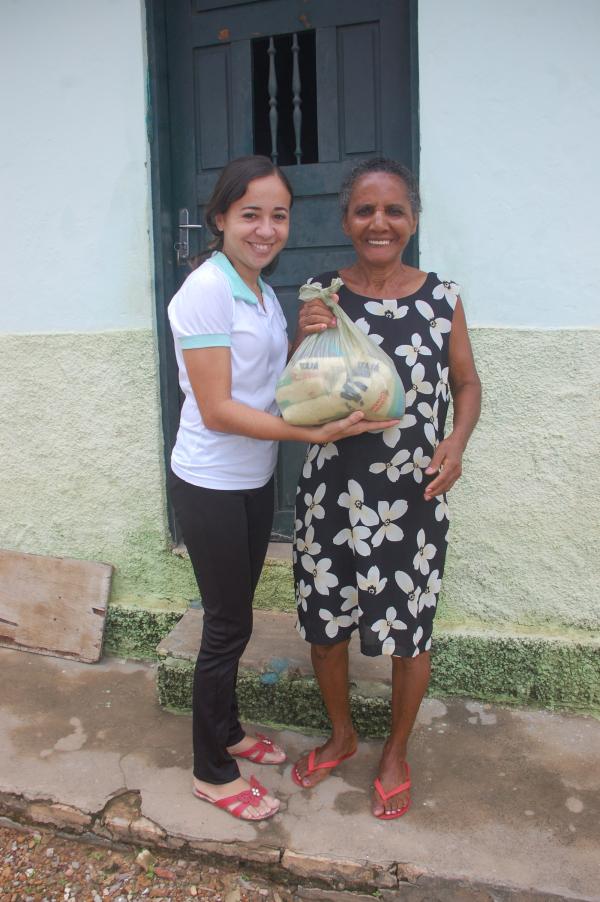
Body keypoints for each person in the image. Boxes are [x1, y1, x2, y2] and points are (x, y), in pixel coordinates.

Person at [167, 155, 399, 822]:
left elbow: (271, 384)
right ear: (219, 219)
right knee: (226, 626)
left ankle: (229, 731)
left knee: (233, 621)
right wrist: (313, 437)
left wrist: (314, 344)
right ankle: (211, 772)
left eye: (278, 215)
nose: (266, 229)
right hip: (210, 479)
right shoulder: (206, 290)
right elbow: (217, 409)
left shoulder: (262, 291)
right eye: (250, 215)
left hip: (253, 476)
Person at [291, 157, 482, 819]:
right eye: (365, 210)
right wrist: (303, 341)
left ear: (413, 220)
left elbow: (468, 384)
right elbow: (299, 391)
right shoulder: (321, 294)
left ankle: (396, 749)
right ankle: (342, 735)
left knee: (411, 634)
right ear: (346, 221)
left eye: (393, 210)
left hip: (413, 498)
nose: (379, 223)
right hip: (331, 493)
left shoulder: (441, 298)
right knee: (324, 628)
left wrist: (456, 442)